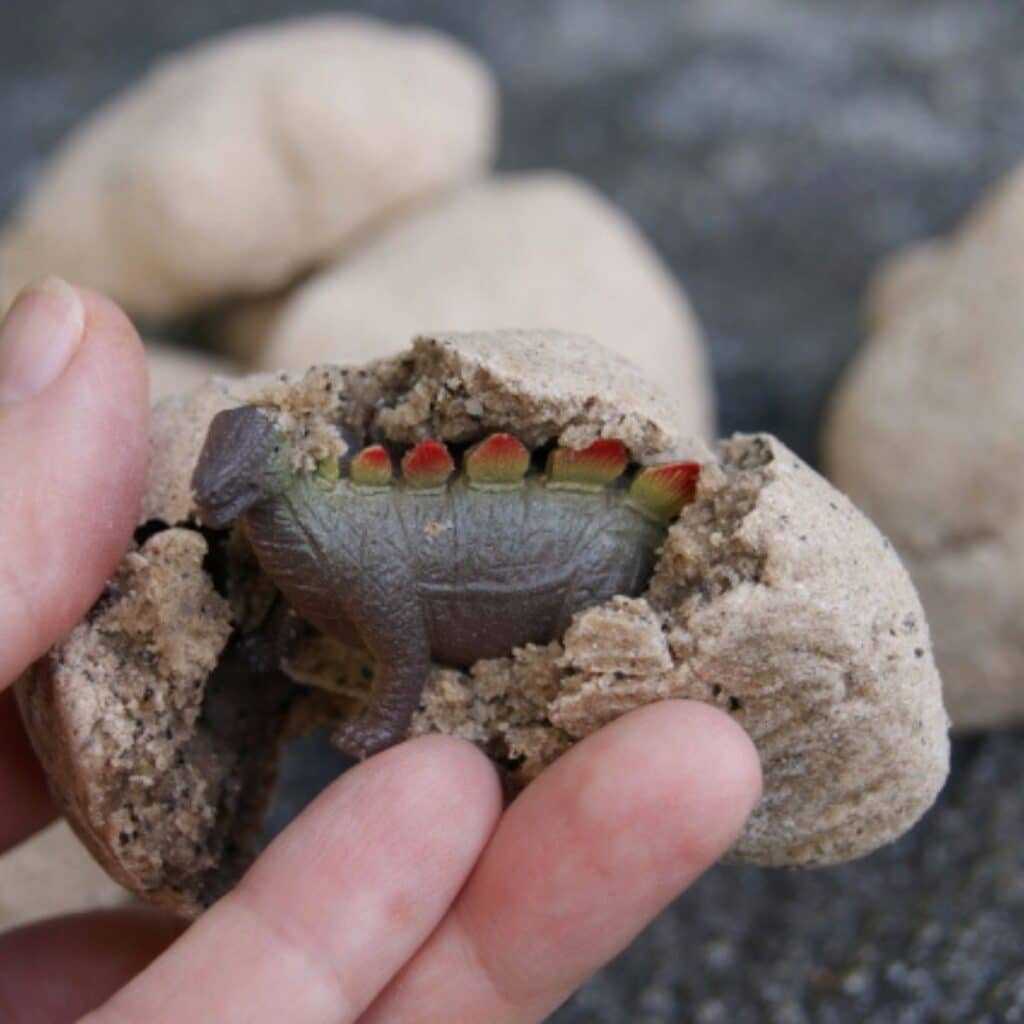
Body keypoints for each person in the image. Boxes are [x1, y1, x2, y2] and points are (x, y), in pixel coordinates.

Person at [0, 280, 761, 1024]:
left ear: (272, 469)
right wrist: (278, 637)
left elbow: (403, 641)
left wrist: (383, 720)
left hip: (581, 551)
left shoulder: (337, 541)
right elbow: (319, 604)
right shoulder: (293, 540)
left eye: (232, 480)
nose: (215, 495)